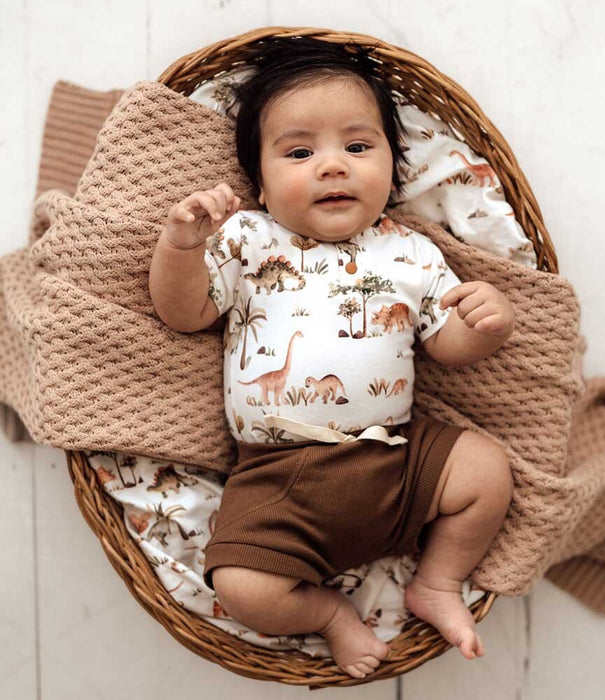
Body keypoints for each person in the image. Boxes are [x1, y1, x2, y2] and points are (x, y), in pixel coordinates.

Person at [149, 36, 514, 680]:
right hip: (278, 479)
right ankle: (326, 613)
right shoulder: (248, 240)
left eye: (358, 147)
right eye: (299, 153)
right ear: (261, 187)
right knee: (240, 586)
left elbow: (446, 345)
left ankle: (436, 581)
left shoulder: (410, 252)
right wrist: (181, 247)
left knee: (486, 471)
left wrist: (483, 326)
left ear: (393, 169)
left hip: (397, 459)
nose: (333, 166)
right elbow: (185, 312)